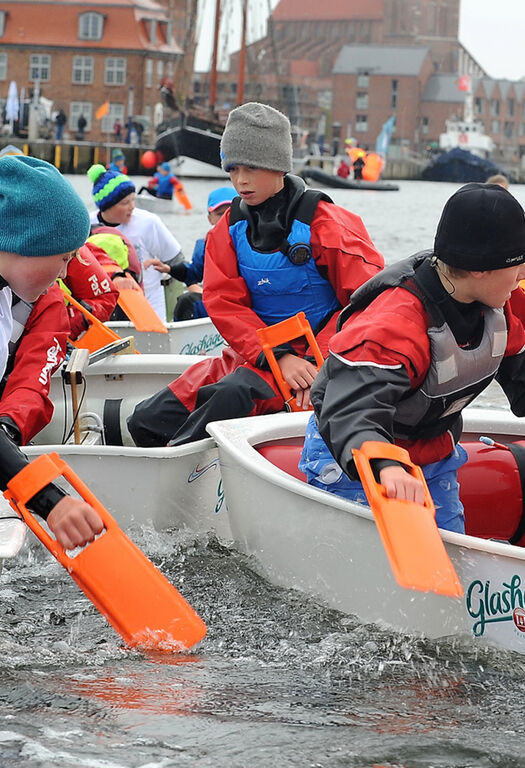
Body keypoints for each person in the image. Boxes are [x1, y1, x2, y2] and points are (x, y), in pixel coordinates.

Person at [124, 102, 384, 448]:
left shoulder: (329, 225)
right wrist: (276, 354)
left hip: (316, 362)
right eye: (232, 169)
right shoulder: (227, 230)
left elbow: (367, 304)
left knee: (230, 397)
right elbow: (224, 303)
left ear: (278, 165)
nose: (240, 180)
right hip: (256, 355)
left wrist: (313, 364)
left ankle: (179, 466)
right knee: (146, 419)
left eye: (251, 168)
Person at [300, 182, 525, 534]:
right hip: (359, 456)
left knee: (449, 553)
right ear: (479, 268)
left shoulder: (501, 303)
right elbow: (350, 409)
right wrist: (386, 465)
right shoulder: (394, 324)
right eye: (519, 263)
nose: (523, 274)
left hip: (433, 452)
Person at [0, 154, 103, 549]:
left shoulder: (20, 297)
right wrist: (51, 501)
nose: (64, 274)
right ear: (26, 243)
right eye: (63, 258)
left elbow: (33, 374)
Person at [87, 164, 184, 322]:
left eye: (133, 200)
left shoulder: (148, 222)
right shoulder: (87, 225)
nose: (132, 207)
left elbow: (176, 259)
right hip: (106, 306)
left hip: (149, 305)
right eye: (125, 203)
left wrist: (191, 283)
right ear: (107, 206)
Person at [145, 186, 237, 320]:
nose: (225, 218)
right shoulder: (204, 245)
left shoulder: (253, 241)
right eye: (219, 214)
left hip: (245, 303)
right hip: (219, 304)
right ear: (210, 218)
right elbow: (193, 273)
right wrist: (169, 268)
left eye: (230, 213)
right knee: (186, 302)